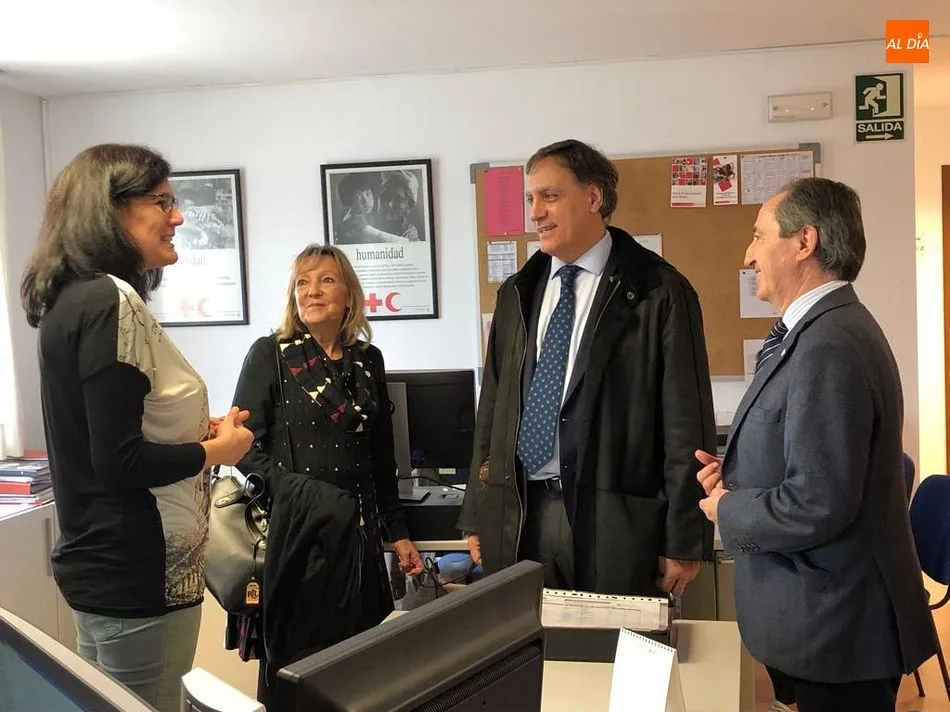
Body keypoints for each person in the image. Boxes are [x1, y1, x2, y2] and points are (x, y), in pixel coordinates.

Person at [19, 143, 254, 712]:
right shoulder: (110, 300)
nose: (177, 217)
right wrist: (216, 449)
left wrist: (198, 435)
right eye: (163, 201)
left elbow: (115, 429)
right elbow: (121, 462)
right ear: (111, 208)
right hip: (138, 572)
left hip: (102, 567)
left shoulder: (73, 301)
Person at [694, 177, 937, 712]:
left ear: (803, 243)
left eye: (759, 237)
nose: (748, 254)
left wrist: (729, 507)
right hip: (820, 621)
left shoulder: (829, 344)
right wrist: (736, 475)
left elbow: (819, 502)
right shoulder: (810, 332)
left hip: (838, 627)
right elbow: (807, 455)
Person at [457, 139, 716, 596]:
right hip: (520, 514)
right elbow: (492, 408)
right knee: (525, 658)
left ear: (593, 198)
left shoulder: (659, 291)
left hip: (613, 519)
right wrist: (479, 512)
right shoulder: (518, 292)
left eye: (550, 196)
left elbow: (685, 425)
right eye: (530, 199)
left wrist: (683, 540)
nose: (535, 212)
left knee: (610, 659)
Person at [230, 243, 424, 703]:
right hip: (300, 537)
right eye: (303, 282)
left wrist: (398, 534)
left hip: (359, 543)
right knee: (300, 676)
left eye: (326, 280)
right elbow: (240, 448)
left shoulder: (368, 360)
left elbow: (381, 457)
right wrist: (301, 493)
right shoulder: (269, 355)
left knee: (361, 674)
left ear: (349, 297)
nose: (312, 291)